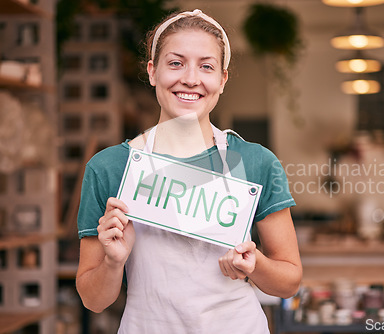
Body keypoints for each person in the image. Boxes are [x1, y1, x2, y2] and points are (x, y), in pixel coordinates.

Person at [76, 9, 302, 334]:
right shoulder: (109, 168)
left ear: (222, 80)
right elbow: (94, 301)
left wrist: (256, 264)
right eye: (176, 63)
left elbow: (289, 282)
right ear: (153, 72)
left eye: (206, 66)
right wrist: (113, 261)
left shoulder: (256, 162)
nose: (191, 79)